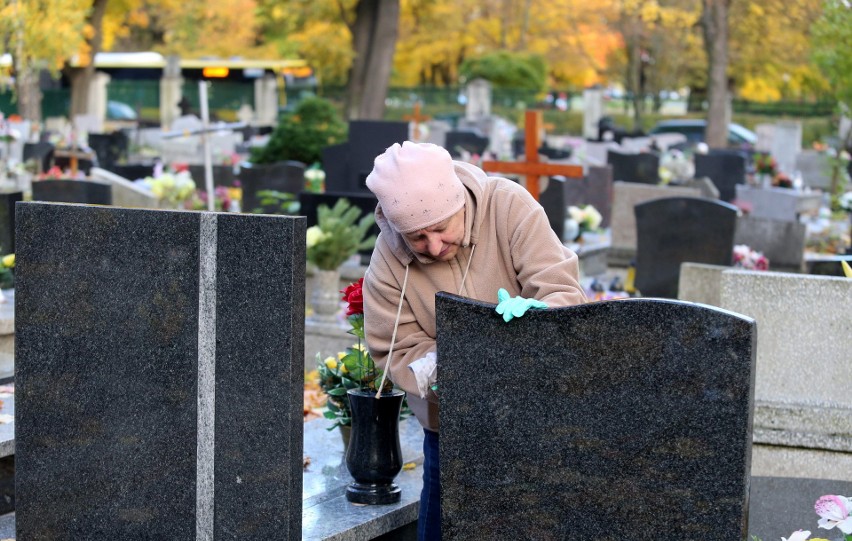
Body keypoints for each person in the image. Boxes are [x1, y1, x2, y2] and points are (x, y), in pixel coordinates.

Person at [362, 141, 587, 541]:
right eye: (416, 237)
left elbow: (561, 290)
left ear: (459, 204)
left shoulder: (509, 207)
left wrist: (539, 320)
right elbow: (392, 348)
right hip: (452, 429)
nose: (433, 247)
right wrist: (449, 370)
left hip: (536, 417)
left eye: (440, 228)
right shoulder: (387, 261)